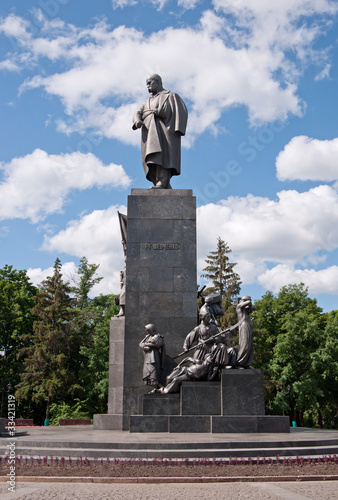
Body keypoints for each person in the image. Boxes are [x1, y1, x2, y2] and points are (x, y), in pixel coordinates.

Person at [132, 74, 188, 189]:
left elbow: (181, 111)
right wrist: (137, 120)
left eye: (149, 83)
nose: (147, 86)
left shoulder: (170, 95)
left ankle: (162, 183)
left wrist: (176, 128)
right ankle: (162, 184)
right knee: (151, 159)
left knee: (162, 157)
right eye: (146, 84)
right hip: (149, 132)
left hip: (165, 131)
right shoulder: (148, 100)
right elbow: (138, 112)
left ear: (157, 81)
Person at [139, 324, 165, 392]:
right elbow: (141, 344)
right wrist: (145, 345)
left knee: (154, 371)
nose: (148, 332)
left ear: (152, 329)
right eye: (147, 331)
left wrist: (147, 344)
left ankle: (157, 385)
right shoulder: (147, 337)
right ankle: (153, 385)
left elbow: (158, 344)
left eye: (148, 330)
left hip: (154, 357)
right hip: (147, 357)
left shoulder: (158, 337)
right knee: (147, 370)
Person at [236, 296, 257, 368]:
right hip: (244, 325)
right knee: (245, 345)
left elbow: (255, 307)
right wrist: (248, 303)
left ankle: (246, 363)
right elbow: (249, 302)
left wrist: (249, 308)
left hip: (249, 325)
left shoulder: (246, 310)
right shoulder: (239, 306)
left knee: (250, 345)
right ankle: (239, 363)